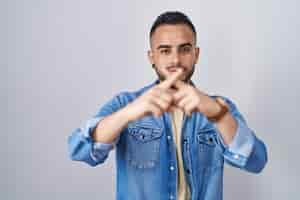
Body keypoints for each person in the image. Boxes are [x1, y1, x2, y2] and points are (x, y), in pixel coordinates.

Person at [68, 11, 268, 200]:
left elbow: (256, 161)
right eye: (165, 51)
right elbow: (81, 150)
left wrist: (219, 116)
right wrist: (127, 114)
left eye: (185, 49)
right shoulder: (124, 104)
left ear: (196, 54)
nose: (175, 60)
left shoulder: (219, 108)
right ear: (152, 57)